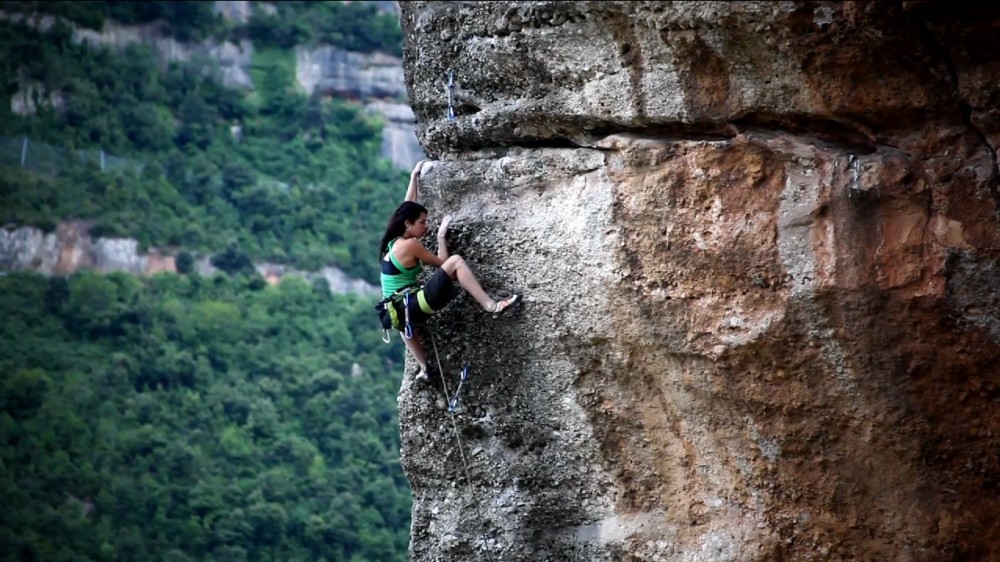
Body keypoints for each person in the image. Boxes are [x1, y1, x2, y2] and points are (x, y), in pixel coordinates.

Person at [378, 159, 521, 383]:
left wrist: (413, 177)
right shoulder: (410, 245)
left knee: (406, 324)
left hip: (395, 311)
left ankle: (425, 368)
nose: (426, 226)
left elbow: (407, 206)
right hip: (414, 305)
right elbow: (443, 261)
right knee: (456, 262)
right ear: (409, 224)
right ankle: (491, 305)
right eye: (423, 222)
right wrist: (440, 237)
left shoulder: (393, 243)